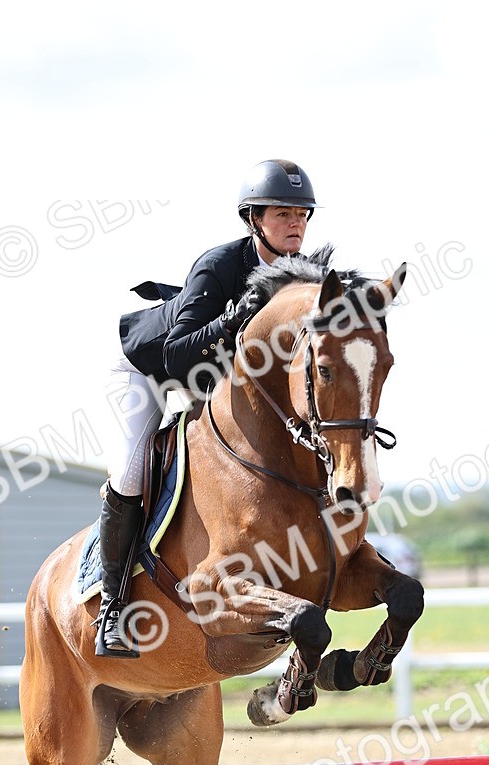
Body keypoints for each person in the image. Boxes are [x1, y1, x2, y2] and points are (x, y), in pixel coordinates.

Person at [96, 158, 318, 657]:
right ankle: (112, 607)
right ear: (254, 219)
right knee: (131, 474)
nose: (295, 224)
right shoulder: (219, 266)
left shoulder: (309, 276)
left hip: (216, 381)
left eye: (302, 215)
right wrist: (234, 317)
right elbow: (176, 355)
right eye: (282, 213)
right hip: (150, 369)